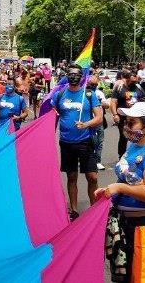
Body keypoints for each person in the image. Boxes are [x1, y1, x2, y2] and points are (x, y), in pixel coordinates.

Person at [95, 102, 145, 283]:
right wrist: (109, 191)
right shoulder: (133, 147)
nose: (126, 127)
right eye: (126, 122)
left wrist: (119, 188)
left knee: (142, 277)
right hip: (127, 221)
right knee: (125, 275)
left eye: (132, 123)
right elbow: (129, 180)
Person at [52, 63, 103, 220]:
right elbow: (55, 116)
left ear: (82, 77)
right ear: (67, 76)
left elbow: (99, 118)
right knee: (71, 176)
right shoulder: (59, 95)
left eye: (77, 74)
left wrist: (85, 124)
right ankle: (74, 210)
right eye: (71, 74)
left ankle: (94, 209)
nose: (74, 76)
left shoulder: (89, 95)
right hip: (66, 143)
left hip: (86, 142)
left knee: (92, 177)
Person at [87, 75, 109, 170]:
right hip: (87, 121)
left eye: (96, 84)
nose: (94, 86)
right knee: (89, 141)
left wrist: (98, 102)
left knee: (99, 141)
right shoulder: (83, 93)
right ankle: (87, 159)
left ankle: (97, 161)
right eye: (92, 84)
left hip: (99, 120)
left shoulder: (99, 93)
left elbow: (107, 105)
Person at [110, 70, 132, 158]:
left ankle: (129, 155)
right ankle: (121, 155)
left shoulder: (130, 87)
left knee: (129, 136)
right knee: (123, 136)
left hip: (131, 116)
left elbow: (128, 100)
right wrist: (115, 115)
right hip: (121, 116)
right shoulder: (119, 87)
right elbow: (113, 102)